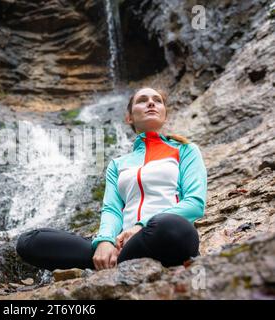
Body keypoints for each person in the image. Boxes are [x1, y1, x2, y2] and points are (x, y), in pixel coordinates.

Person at [16, 88, 208, 270]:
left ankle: (113, 264)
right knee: (30, 240)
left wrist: (141, 226)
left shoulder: (185, 150)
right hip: (123, 243)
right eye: (143, 100)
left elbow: (194, 203)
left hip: (165, 235)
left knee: (172, 226)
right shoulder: (118, 164)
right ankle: (114, 260)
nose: (151, 103)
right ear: (129, 118)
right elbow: (112, 209)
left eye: (157, 101)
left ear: (164, 115)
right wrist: (106, 241)